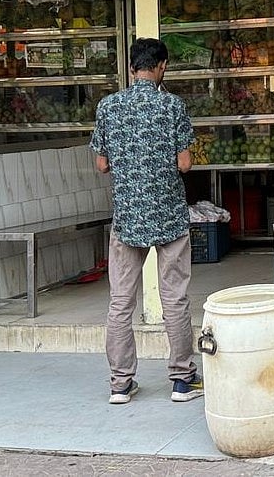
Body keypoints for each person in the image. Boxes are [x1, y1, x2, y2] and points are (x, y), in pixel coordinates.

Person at [90, 38, 203, 405]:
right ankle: (182, 379)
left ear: (131, 67)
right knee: (174, 298)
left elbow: (102, 163)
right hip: (169, 214)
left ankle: (120, 383)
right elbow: (185, 163)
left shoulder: (109, 106)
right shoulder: (172, 106)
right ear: (162, 67)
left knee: (120, 301)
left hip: (127, 218)